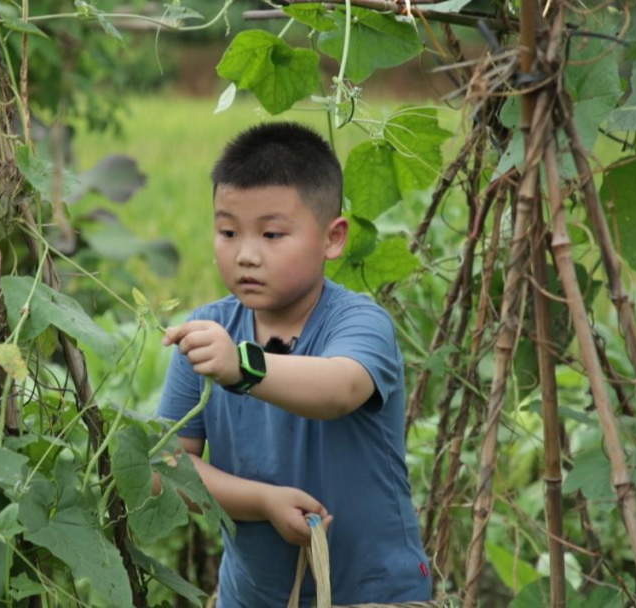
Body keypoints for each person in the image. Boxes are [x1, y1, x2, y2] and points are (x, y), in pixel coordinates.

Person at [156, 122, 432, 607]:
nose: (246, 254)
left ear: (333, 238)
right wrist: (261, 502)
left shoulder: (360, 323)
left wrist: (241, 367)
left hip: (374, 594)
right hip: (251, 597)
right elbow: (165, 467)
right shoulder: (205, 333)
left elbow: (338, 389)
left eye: (272, 234)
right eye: (227, 231)